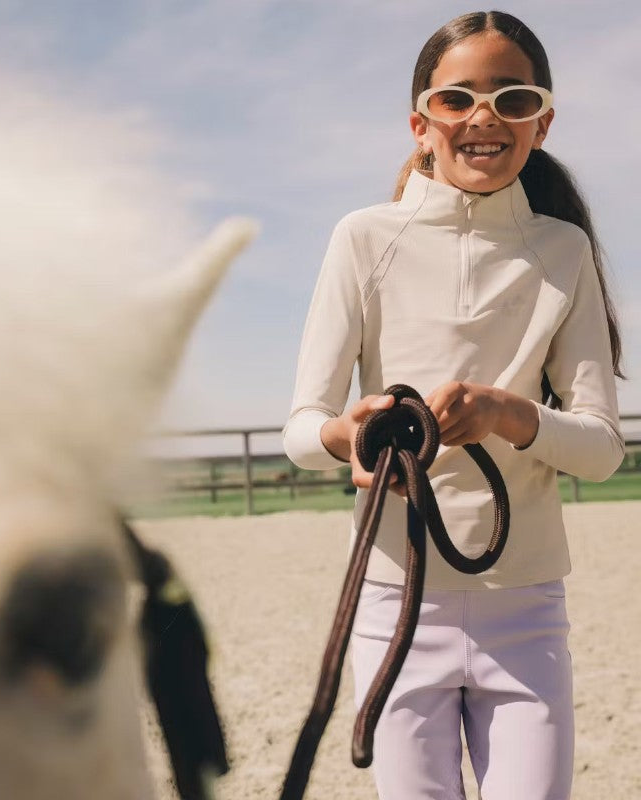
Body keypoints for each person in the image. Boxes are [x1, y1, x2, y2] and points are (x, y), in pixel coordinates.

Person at [282, 10, 624, 800]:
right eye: (457, 98)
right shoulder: (364, 239)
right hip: (394, 598)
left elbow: (603, 449)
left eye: (513, 98)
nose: (484, 117)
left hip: (527, 609)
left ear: (541, 123)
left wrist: (512, 415)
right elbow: (303, 425)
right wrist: (349, 436)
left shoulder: (563, 252)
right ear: (420, 121)